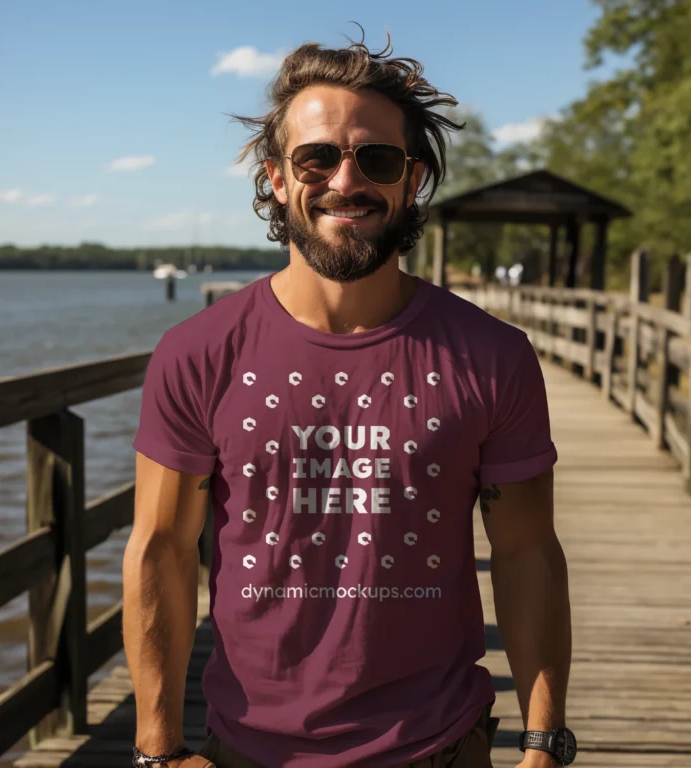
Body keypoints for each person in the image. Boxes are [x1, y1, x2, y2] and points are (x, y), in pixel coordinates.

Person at [125, 25, 574, 768]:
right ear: (276, 176)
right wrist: (156, 749)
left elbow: (527, 552)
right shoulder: (198, 354)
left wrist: (545, 742)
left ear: (413, 176)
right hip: (247, 750)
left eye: (377, 158)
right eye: (317, 157)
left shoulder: (494, 358)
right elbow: (161, 552)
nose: (346, 180)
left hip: (437, 746)